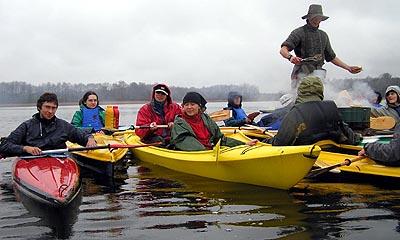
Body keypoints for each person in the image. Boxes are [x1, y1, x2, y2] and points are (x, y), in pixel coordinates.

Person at [280, 4, 361, 89]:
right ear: (308, 18)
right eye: (314, 17)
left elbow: (331, 57)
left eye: (319, 18)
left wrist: (348, 68)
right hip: (301, 74)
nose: (316, 20)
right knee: (300, 98)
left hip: (319, 75)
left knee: (319, 98)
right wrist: (291, 57)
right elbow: (283, 50)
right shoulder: (298, 32)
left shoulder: (323, 35)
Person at [269, 76, 360, 146]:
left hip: (307, 157)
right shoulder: (332, 107)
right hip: (332, 152)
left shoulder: (296, 112)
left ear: (300, 91)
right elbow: (350, 137)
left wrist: (265, 141)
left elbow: (280, 143)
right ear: (321, 90)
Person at [0, 92, 96, 157]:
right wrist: (25, 148)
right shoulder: (26, 126)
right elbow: (4, 145)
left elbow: (82, 135)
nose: (50, 111)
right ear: (39, 107)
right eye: (47, 107)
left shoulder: (63, 126)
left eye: (53, 108)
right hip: (32, 162)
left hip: (58, 162)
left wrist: (90, 139)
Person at [171, 92, 257, 151]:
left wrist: (243, 144)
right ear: (183, 107)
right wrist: (207, 152)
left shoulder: (206, 119)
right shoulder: (179, 123)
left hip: (210, 151)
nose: (189, 107)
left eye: (192, 104)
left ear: (199, 106)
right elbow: (185, 141)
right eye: (186, 105)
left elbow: (220, 139)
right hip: (200, 153)